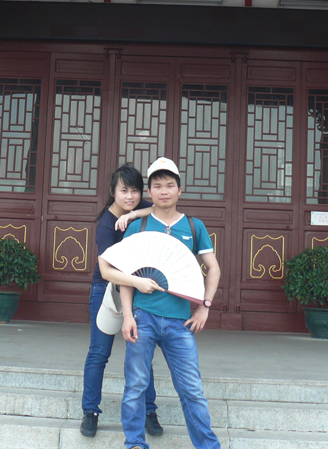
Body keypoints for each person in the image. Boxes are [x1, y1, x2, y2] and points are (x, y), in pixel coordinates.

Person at [99, 157, 221, 449]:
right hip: (143, 317)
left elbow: (213, 268)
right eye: (157, 186)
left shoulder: (194, 226)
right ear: (149, 192)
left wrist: (204, 306)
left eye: (169, 185)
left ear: (180, 190)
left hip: (179, 322)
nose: (163, 191)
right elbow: (127, 276)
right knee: (135, 387)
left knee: (192, 390)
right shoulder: (138, 226)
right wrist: (128, 316)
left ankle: (208, 446)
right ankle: (135, 444)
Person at [80, 163, 163, 439]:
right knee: (99, 353)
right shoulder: (106, 224)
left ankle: (149, 411)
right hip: (106, 290)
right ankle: (90, 411)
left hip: (136, 289)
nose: (130, 196)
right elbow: (107, 271)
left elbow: (161, 207)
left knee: (142, 353)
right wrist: (137, 283)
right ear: (112, 192)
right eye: (124, 191)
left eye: (135, 191)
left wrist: (135, 214)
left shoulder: (137, 209)